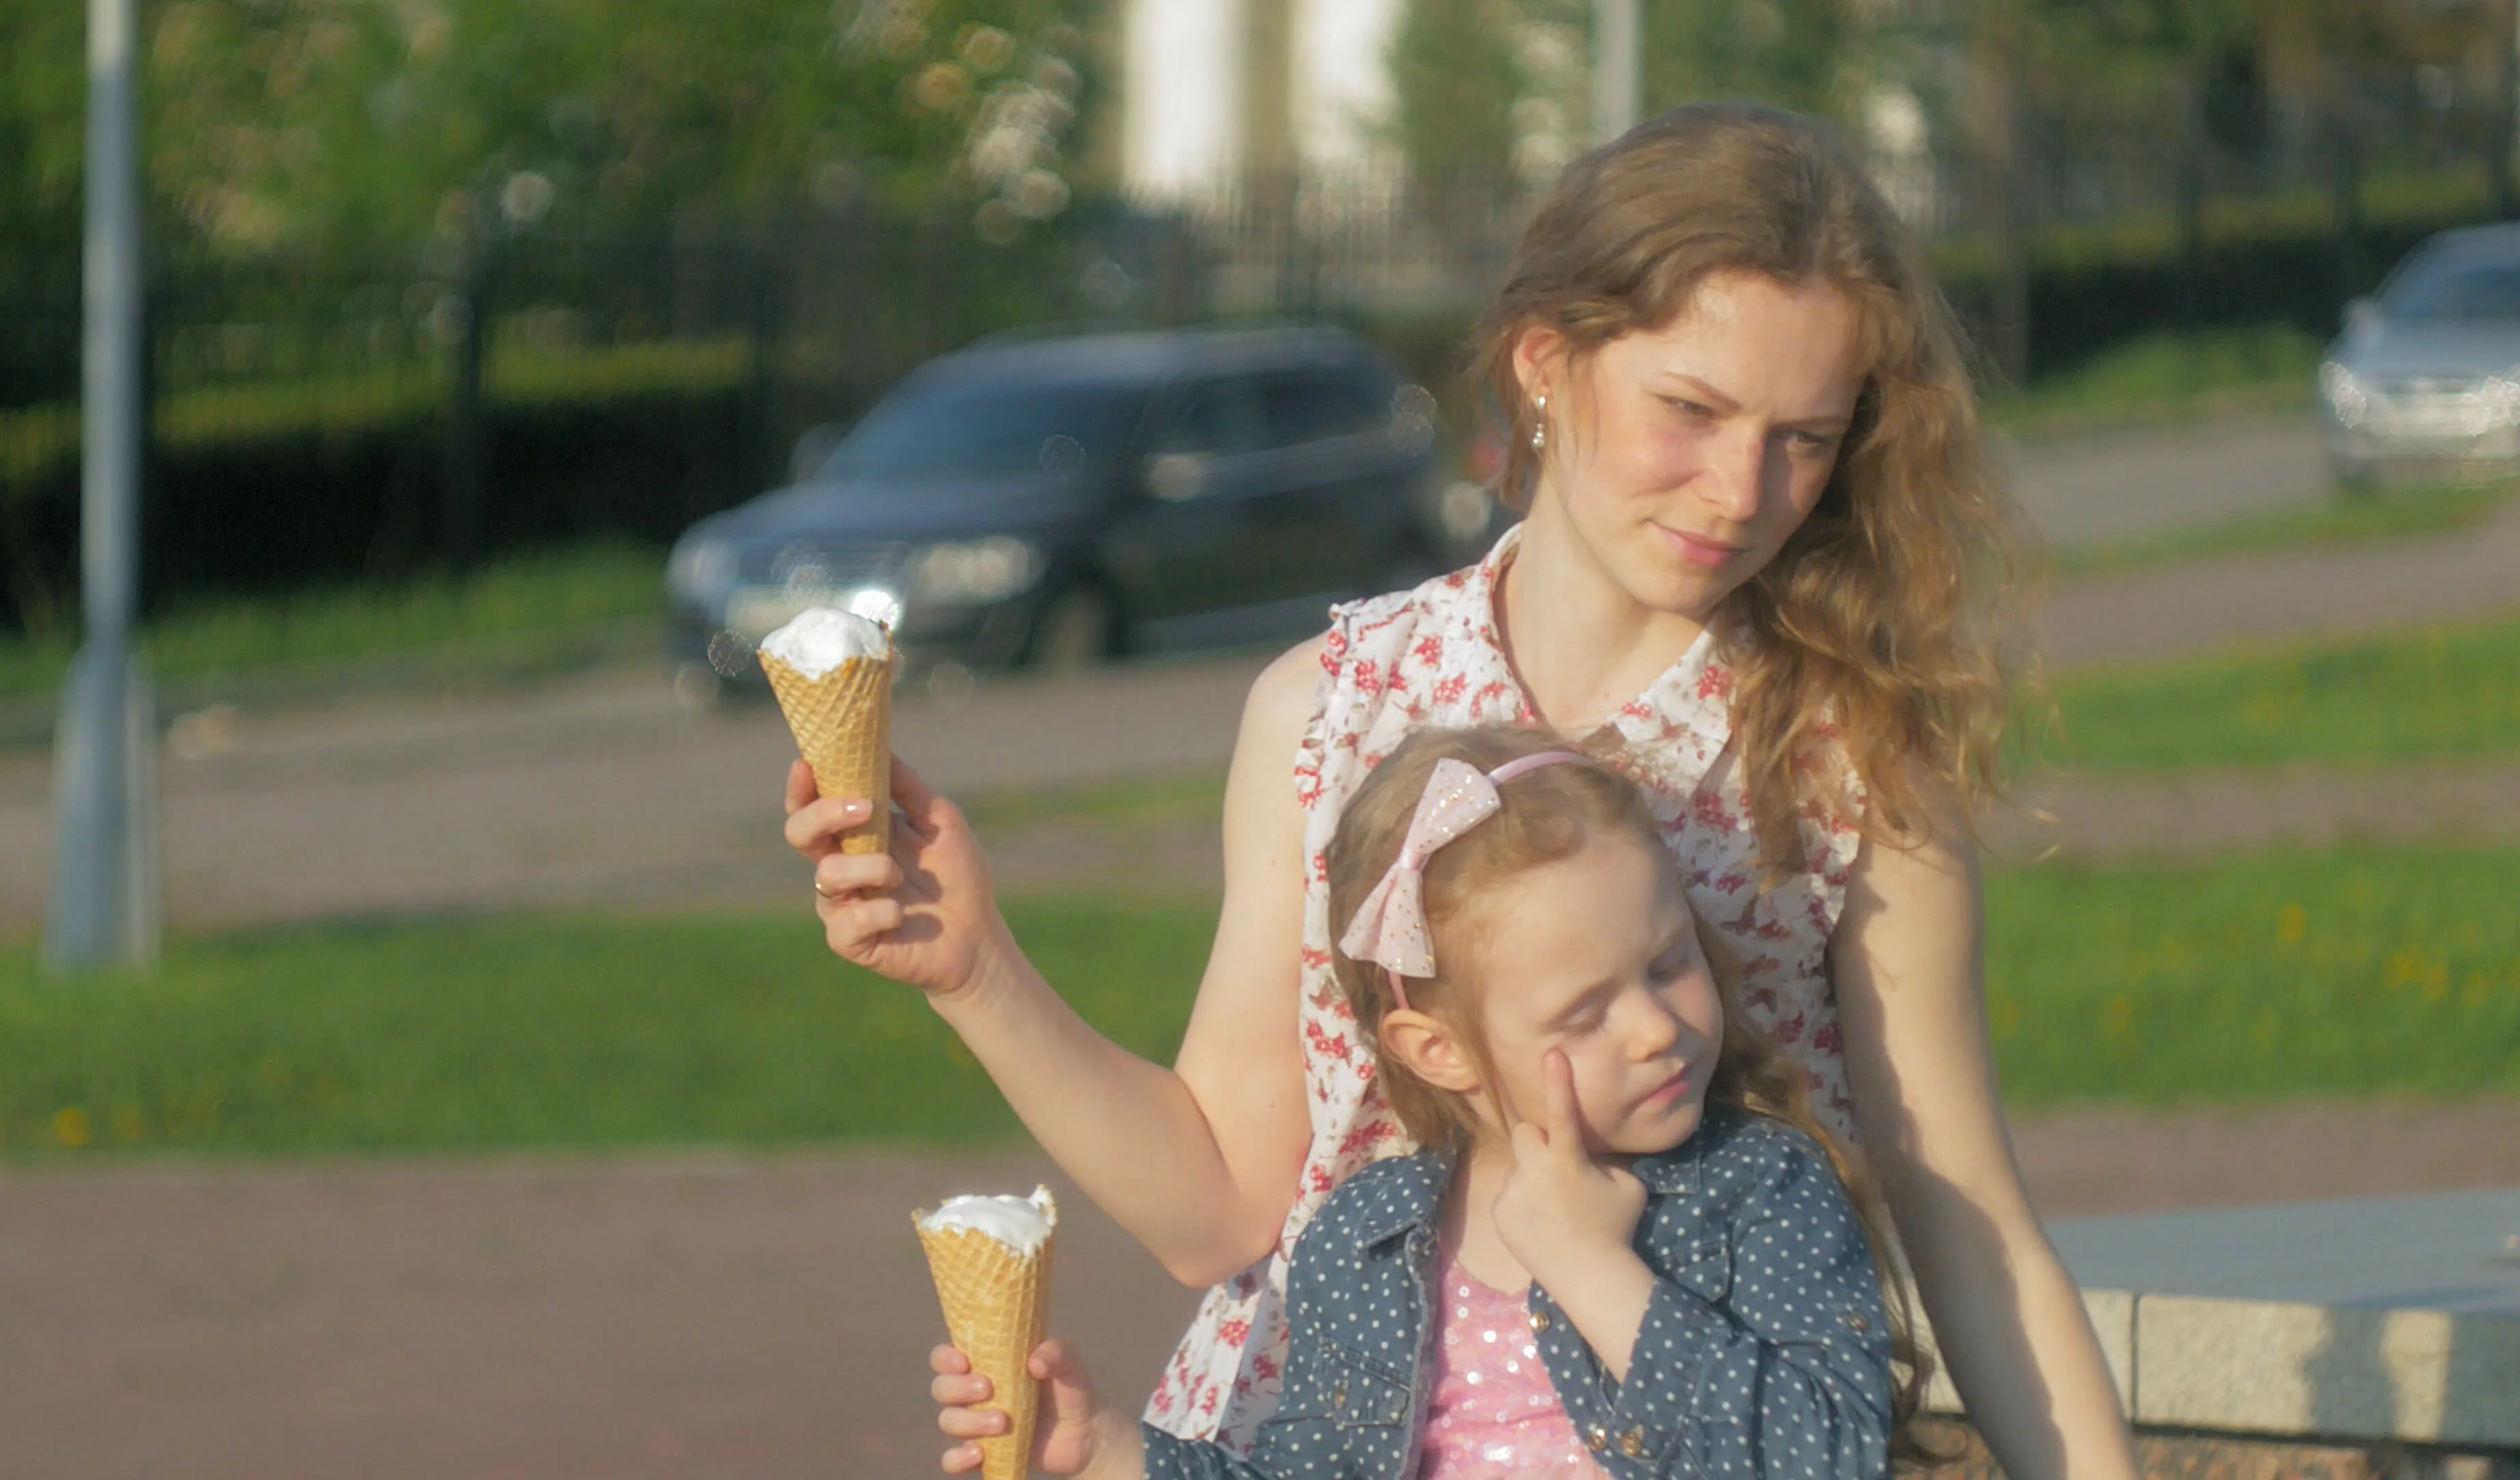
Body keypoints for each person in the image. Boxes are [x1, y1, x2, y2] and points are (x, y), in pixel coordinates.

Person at [790, 101, 2138, 1477]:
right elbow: (1222, 1214)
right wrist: (974, 971)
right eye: (1692, 409)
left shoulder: (1845, 747)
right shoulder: (1327, 704)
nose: (1742, 488)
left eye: (1805, 436)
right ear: (1546, 362)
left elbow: (1966, 1219)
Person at [924, 726, 1914, 1480]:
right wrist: (1107, 1455)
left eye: (1668, 964)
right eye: (1583, 1013)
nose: (1656, 1028)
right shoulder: (1367, 1237)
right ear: (1435, 1050)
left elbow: (1824, 1455)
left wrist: (1593, 1267)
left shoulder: (1760, 1189)